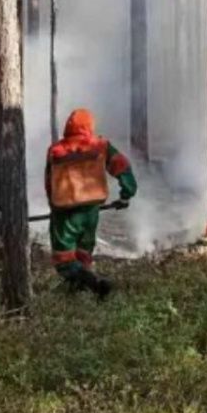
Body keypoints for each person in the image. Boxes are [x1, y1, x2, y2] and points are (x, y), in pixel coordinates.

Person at [45, 108, 138, 300]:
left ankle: (94, 284)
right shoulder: (101, 146)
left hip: (65, 213)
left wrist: (53, 207)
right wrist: (126, 194)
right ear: (89, 127)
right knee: (83, 252)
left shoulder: (55, 150)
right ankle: (80, 291)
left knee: (64, 259)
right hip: (91, 211)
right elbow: (122, 166)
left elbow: (49, 183)